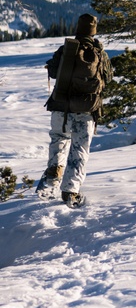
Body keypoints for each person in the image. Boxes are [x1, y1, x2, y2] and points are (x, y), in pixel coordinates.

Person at [36, 13, 113, 207]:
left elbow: (54, 71)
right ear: (94, 31)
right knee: (79, 150)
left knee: (59, 140)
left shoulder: (66, 49)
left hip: (61, 108)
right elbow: (109, 77)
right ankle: (70, 192)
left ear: (78, 28)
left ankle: (52, 178)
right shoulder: (100, 53)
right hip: (86, 110)